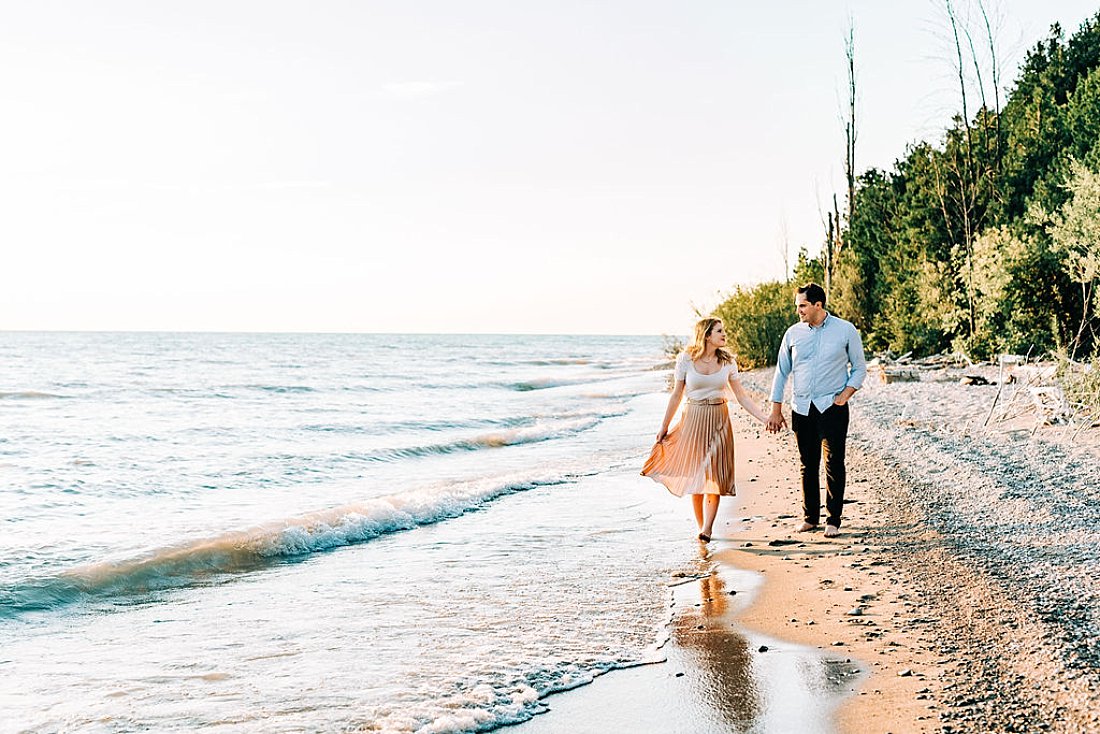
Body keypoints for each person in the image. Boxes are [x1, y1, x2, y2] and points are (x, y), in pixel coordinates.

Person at [642, 317, 769, 542]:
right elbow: (676, 394)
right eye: (720, 331)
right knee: (697, 477)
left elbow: (741, 396)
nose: (724, 335)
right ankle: (701, 528)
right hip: (693, 420)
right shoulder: (686, 359)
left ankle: (708, 528)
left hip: (720, 420)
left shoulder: (728, 361)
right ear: (707, 335)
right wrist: (664, 426)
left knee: (715, 476)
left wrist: (764, 418)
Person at [766, 283, 866, 538]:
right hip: (801, 408)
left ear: (818, 305)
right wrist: (775, 409)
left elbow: (859, 368)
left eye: (802, 305)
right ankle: (810, 517)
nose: (798, 310)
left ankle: (833, 519)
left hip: (833, 407)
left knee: (834, 463)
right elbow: (781, 372)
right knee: (807, 464)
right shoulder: (792, 334)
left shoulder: (845, 330)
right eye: (798, 305)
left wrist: (845, 395)